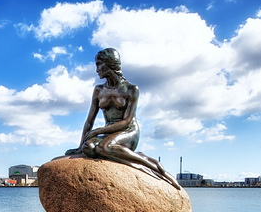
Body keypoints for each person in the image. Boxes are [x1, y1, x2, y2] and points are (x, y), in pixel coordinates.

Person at [66, 48, 181, 190]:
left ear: (110, 63)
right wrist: (80, 146)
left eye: (99, 64)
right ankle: (129, 156)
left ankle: (152, 165)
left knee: (104, 147)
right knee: (88, 148)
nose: (96, 69)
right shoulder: (98, 90)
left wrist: (98, 131)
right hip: (109, 132)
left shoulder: (131, 89)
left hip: (128, 130)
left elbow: (127, 121)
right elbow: (89, 121)